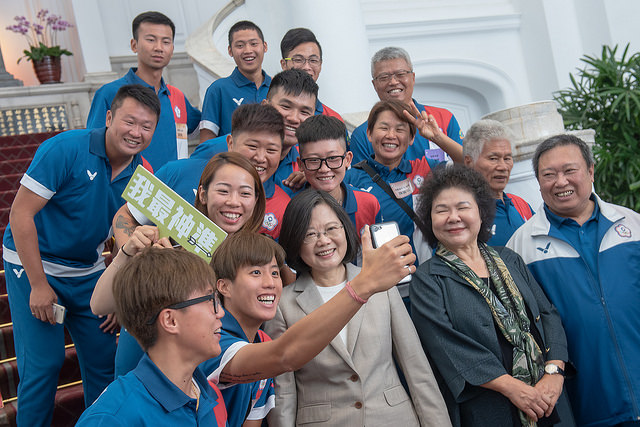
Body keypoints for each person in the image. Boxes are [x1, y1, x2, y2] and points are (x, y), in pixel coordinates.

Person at [3, 84, 160, 427]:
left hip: (87, 271)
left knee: (104, 361)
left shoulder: (143, 175)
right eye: (129, 122)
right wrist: (39, 286)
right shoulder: (65, 149)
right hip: (34, 265)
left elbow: (127, 235)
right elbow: (20, 215)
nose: (136, 133)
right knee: (44, 363)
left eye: (146, 127)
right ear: (108, 117)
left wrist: (120, 296)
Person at [264, 189, 451, 426]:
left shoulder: (380, 285)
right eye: (310, 234)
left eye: (332, 229)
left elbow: (417, 369)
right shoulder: (283, 306)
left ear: (345, 229)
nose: (323, 240)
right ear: (294, 240)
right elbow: (284, 394)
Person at [411, 164, 574, 427]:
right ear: (430, 219)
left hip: (546, 399)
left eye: (463, 207)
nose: (453, 217)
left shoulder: (509, 258)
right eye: (442, 210)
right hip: (489, 409)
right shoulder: (428, 279)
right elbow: (447, 345)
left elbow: (548, 315)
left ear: (481, 213)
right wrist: (513, 388)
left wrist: (554, 372)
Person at [506, 134, 640, 427]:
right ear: (538, 183)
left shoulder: (632, 225)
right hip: (584, 403)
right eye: (549, 175)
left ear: (591, 171)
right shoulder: (521, 247)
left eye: (570, 170)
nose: (561, 182)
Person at [98, 152, 266, 377]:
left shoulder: (259, 255)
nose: (233, 202)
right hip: (145, 373)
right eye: (223, 191)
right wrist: (130, 255)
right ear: (203, 195)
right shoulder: (168, 246)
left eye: (245, 193)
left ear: (256, 200)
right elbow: (99, 305)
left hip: (213, 378)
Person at [76, 249, 227, 426]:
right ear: (170, 320)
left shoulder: (204, 391)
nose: (221, 313)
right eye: (210, 300)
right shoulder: (114, 418)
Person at [114, 104, 289, 240]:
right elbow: (126, 216)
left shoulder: (284, 206)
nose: (260, 157)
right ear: (230, 143)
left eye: (271, 150)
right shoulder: (177, 172)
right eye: (252, 146)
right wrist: (134, 256)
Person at [346, 100, 462, 269]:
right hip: (374, 288)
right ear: (369, 134)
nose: (391, 135)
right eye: (384, 128)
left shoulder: (425, 169)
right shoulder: (350, 179)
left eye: (400, 129)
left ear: (411, 138)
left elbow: (470, 165)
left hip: (423, 283)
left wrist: (437, 137)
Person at [86, 11, 200, 170]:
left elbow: (202, 128)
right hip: (128, 189)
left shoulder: (176, 96)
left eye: (166, 42)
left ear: (172, 48)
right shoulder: (110, 93)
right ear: (134, 45)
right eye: (151, 40)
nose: (159, 48)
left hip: (171, 191)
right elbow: (93, 149)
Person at [194, 69, 318, 196]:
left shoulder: (302, 168)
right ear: (265, 105)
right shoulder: (214, 150)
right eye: (286, 107)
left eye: (304, 112)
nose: (294, 118)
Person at [350, 46, 464, 164]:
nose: (393, 82)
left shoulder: (443, 118)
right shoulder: (363, 135)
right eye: (384, 77)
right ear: (374, 85)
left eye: (400, 74)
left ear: (413, 78)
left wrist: (438, 137)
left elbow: (469, 165)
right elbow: (359, 179)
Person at [296, 114, 381, 234]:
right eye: (314, 160)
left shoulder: (368, 204)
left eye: (333, 158)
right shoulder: (291, 207)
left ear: (348, 159)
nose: (324, 169)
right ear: (300, 164)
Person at [463, 119, 534, 245]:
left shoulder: (521, 205)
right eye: (493, 158)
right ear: (469, 162)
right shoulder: (462, 215)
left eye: (507, 158)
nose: (503, 167)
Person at [199, 20, 270, 142]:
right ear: (230, 51)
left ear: (264, 47)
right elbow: (206, 144)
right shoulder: (218, 90)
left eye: (253, 44)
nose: (248, 50)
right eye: (240, 45)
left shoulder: (277, 87)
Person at [279, 27, 343, 120]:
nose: (306, 67)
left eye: (313, 60)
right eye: (298, 60)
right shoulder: (270, 110)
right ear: (284, 64)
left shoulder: (333, 118)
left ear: (320, 64)